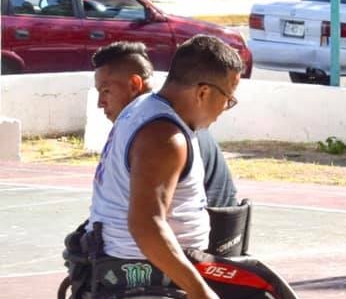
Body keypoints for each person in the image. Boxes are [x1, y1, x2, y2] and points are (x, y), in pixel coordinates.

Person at [87, 34, 341, 299]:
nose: (226, 109)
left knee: (253, 277)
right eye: (228, 97)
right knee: (266, 292)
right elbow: (147, 225)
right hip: (142, 266)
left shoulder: (141, 111)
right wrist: (197, 289)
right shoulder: (165, 137)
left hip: (121, 257)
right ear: (203, 91)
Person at [92, 40, 238, 208]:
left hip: (212, 227)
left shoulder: (162, 133)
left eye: (106, 91)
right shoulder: (144, 121)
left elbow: (149, 222)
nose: (100, 103)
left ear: (134, 85)